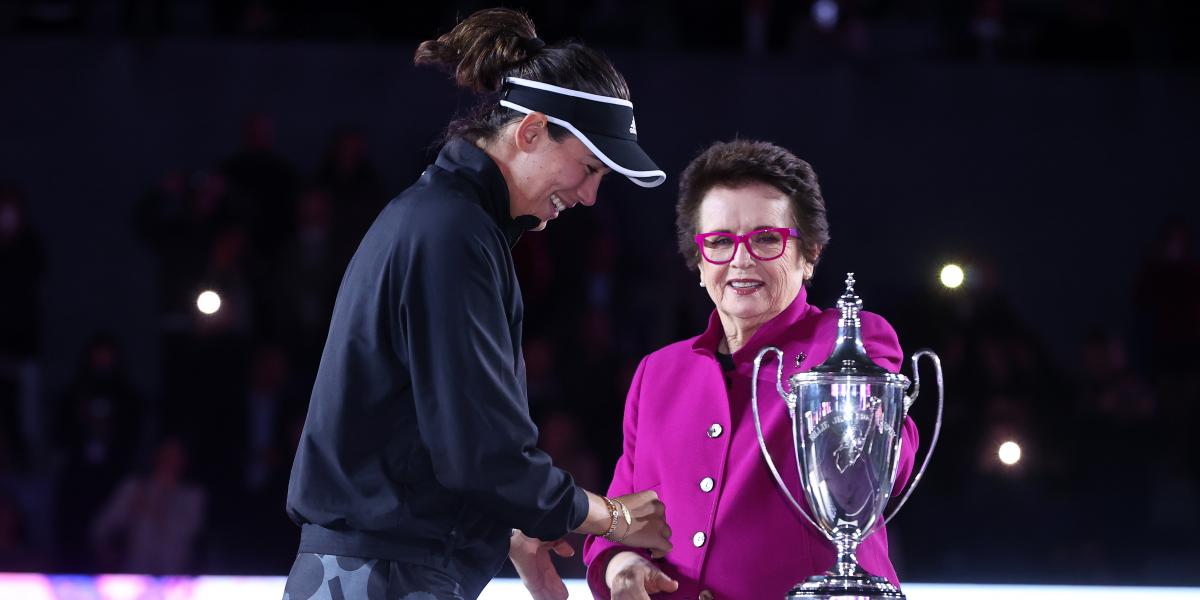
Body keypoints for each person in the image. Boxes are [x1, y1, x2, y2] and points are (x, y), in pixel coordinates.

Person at [284, 8, 671, 600]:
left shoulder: (449, 222)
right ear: (531, 131)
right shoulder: (451, 233)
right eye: (590, 168)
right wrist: (608, 516)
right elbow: (479, 454)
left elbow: (440, 438)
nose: (591, 196)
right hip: (385, 574)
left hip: (382, 570)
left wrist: (514, 524)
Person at [582, 140, 919, 600]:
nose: (741, 259)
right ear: (698, 264)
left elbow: (887, 468)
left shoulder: (849, 341)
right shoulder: (658, 373)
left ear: (810, 254)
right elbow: (622, 515)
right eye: (720, 242)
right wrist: (623, 565)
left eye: (766, 239)